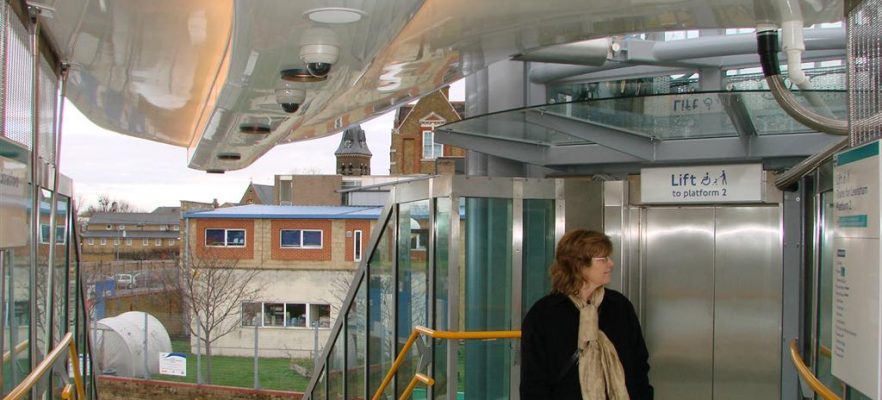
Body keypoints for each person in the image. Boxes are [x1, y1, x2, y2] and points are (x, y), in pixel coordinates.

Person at [520, 229, 652, 399]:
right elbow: (533, 379)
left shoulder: (619, 306)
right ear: (579, 265)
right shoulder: (545, 313)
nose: (610, 264)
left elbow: (639, 365)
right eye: (603, 259)